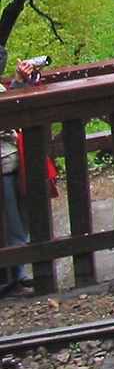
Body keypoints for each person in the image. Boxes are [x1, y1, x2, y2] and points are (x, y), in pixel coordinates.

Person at [1, 49, 49, 296]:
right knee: (12, 222)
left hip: (11, 159)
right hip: (5, 160)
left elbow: (10, 104)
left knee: (18, 219)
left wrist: (20, 81)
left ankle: (17, 274)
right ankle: (13, 276)